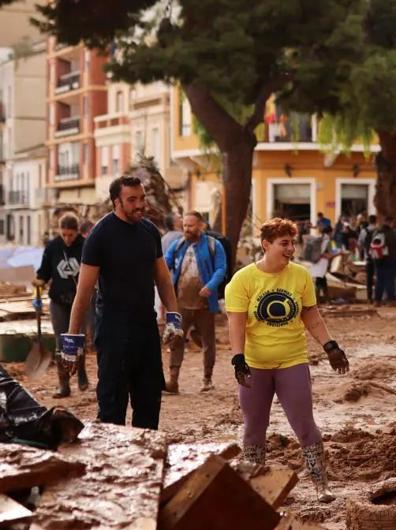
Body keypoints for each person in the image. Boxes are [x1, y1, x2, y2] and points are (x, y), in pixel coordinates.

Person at [225, 218, 350, 502]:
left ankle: (321, 483)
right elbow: (236, 322)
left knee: (304, 424)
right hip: (255, 364)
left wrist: (330, 346)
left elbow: (311, 314)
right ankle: (254, 488)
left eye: (293, 243)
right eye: (284, 243)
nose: (291, 249)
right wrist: (238, 359)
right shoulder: (243, 280)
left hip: (292, 360)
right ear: (266, 245)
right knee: (255, 426)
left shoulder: (300, 275)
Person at [60, 176, 182, 430]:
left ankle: (146, 463)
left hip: (146, 328)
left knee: (149, 402)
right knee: (112, 407)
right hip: (114, 330)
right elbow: (83, 293)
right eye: (132, 200)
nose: (140, 205)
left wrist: (174, 316)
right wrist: (71, 341)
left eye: (142, 198)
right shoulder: (100, 235)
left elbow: (162, 278)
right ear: (117, 202)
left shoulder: (149, 231)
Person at [164, 211, 227, 393]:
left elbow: (221, 268)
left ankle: (207, 379)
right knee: (176, 340)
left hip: (205, 302)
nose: (187, 229)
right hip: (181, 302)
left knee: (208, 341)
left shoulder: (214, 245)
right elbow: (165, 263)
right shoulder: (178, 245)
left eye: (191, 225)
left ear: (201, 226)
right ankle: (173, 381)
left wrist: (211, 285)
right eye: (184, 225)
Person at [35, 214, 87, 397]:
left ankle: (81, 372)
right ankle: (63, 384)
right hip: (58, 300)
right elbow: (44, 272)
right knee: (61, 342)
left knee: (79, 340)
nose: (67, 239)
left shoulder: (86, 246)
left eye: (70, 235)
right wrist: (39, 282)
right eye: (64, 234)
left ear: (77, 232)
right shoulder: (53, 247)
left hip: (79, 301)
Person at [370, 217, 396, 304]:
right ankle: (390, 300)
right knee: (390, 279)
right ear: (391, 223)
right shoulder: (393, 233)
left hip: (378, 258)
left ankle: (377, 300)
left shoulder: (377, 232)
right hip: (390, 258)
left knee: (379, 279)